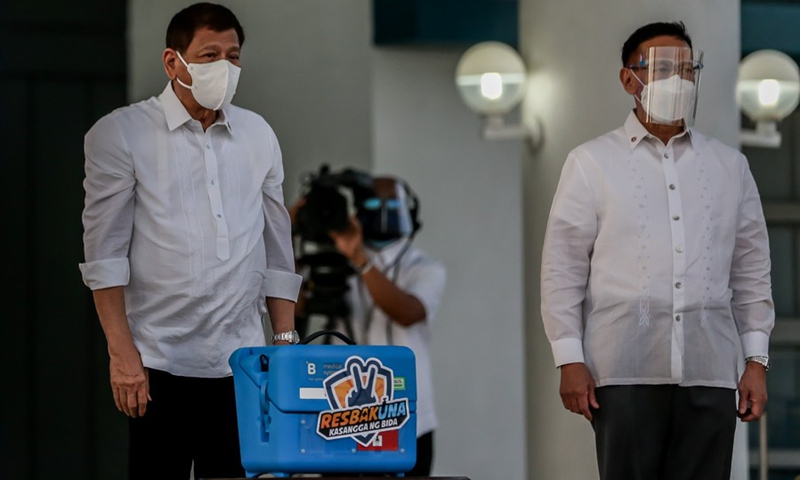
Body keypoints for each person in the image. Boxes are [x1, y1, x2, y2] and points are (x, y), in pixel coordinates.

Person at [540, 21, 774, 480]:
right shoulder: (591, 163)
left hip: (711, 369)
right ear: (630, 79)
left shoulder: (730, 166)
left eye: (688, 69)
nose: (679, 79)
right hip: (623, 368)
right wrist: (569, 359)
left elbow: (751, 271)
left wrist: (756, 362)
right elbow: (562, 267)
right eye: (664, 68)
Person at [78, 3, 302, 479]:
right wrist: (123, 358)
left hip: (241, 364)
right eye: (208, 54)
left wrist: (283, 343)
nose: (224, 66)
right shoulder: (121, 133)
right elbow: (105, 256)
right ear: (172, 61)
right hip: (159, 364)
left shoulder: (258, 134)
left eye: (233, 55)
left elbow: (278, 249)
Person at [292, 174, 447, 477]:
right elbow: (297, 308)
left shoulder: (425, 268)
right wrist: (287, 232)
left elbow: (406, 311)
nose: (378, 212)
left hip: (408, 420)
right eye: (370, 203)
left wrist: (360, 260)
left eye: (386, 204)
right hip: (343, 416)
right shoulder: (334, 260)